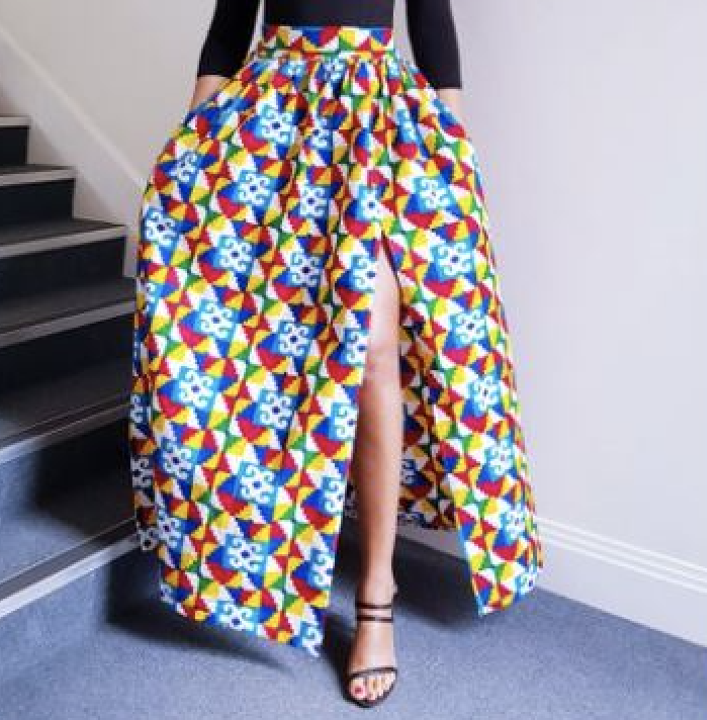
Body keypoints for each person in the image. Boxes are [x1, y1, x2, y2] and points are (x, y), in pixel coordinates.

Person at [128, 0, 544, 710]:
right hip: (275, 117)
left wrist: (454, 146)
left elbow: (432, 22)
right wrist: (187, 153)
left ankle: (376, 590)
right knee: (268, 346)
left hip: (375, 118)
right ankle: (245, 546)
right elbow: (229, 28)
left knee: (376, 346)